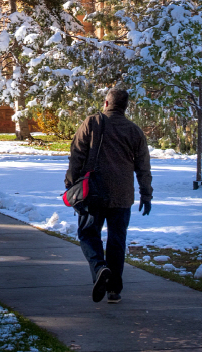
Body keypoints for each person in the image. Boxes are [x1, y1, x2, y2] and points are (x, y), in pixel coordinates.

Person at [64, 86, 152, 304]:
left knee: (87, 234)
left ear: (106, 103)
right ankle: (114, 290)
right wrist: (146, 194)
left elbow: (76, 155)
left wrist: (70, 184)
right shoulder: (134, 131)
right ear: (125, 107)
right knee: (117, 240)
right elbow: (143, 167)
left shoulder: (92, 123)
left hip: (94, 191)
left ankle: (99, 267)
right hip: (123, 195)